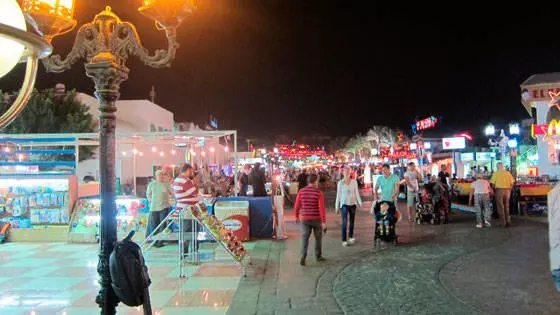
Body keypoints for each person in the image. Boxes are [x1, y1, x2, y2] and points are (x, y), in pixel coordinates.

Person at [294, 174, 327, 266]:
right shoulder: (319, 192)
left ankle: (303, 256)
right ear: (316, 181)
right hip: (316, 219)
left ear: (308, 182)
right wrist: (324, 222)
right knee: (318, 238)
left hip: (305, 219)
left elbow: (297, 205)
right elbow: (321, 208)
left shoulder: (301, 191)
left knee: (304, 238)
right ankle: (318, 255)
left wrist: (296, 216)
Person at [172, 164, 200, 252]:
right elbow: (194, 192)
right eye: (191, 171)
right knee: (189, 231)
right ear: (187, 170)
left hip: (183, 209)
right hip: (188, 211)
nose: (192, 173)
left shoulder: (177, 179)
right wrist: (195, 184)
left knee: (187, 231)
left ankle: (186, 251)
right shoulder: (186, 180)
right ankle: (186, 252)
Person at [335, 166, 363, 247]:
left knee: (352, 221)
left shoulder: (354, 182)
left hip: (352, 204)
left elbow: (357, 193)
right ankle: (344, 239)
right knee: (344, 222)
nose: (346, 172)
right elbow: (338, 195)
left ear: (350, 172)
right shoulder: (340, 183)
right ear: (343, 173)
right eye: (345, 171)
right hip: (344, 204)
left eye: (348, 171)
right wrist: (336, 206)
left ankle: (350, 236)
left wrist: (360, 203)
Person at [146, 170, 174, 247]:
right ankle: (155, 241)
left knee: (163, 225)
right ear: (156, 176)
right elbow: (148, 195)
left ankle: (160, 241)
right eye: (159, 175)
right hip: (154, 207)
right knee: (154, 225)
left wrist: (171, 197)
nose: (161, 176)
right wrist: (152, 201)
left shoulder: (166, 184)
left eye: (162, 175)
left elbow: (172, 193)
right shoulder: (152, 185)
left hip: (164, 207)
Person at [489, 162, 515, 227]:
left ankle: (503, 223)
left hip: (499, 190)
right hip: (507, 190)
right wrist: (509, 190)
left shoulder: (495, 173)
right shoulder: (508, 173)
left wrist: (493, 191)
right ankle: (508, 221)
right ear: (503, 166)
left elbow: (493, 184)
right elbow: (512, 183)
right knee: (507, 206)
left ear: (497, 167)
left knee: (500, 207)